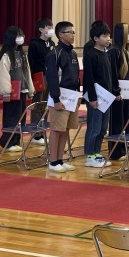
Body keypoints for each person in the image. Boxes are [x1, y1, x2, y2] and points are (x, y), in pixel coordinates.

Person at [45, 21, 81, 172]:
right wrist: (56, 99)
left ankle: (60, 159)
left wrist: (78, 95)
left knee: (65, 129)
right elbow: (52, 78)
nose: (73, 35)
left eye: (73, 32)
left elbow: (76, 76)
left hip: (72, 96)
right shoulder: (54, 53)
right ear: (60, 35)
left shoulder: (72, 53)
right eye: (70, 32)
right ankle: (53, 161)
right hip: (60, 97)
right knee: (56, 129)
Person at [0, 26, 35, 153]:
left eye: (22, 35)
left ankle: (16, 140)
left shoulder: (22, 55)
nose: (21, 38)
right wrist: (6, 91)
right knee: (11, 118)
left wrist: (30, 89)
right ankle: (7, 142)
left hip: (22, 91)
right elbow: (2, 74)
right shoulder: (6, 55)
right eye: (18, 36)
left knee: (21, 118)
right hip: (12, 93)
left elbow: (27, 73)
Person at [82, 22, 114, 169]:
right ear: (95, 38)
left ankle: (96, 153)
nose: (108, 39)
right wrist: (93, 98)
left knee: (102, 128)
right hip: (96, 97)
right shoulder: (91, 55)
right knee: (94, 128)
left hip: (106, 98)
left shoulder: (106, 53)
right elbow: (89, 78)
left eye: (109, 36)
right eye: (104, 36)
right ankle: (90, 155)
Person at [108, 23, 129, 161]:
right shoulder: (114, 51)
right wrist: (116, 92)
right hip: (118, 95)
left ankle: (123, 148)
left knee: (126, 122)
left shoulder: (127, 52)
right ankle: (115, 151)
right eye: (128, 33)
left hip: (127, 93)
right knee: (117, 123)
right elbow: (113, 74)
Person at [28, 18, 55, 144]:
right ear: (41, 29)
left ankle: (42, 131)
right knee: (38, 104)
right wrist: (32, 80)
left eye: (51, 27)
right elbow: (31, 63)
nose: (51, 30)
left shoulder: (52, 43)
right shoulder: (35, 44)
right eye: (48, 27)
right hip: (39, 76)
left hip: (50, 76)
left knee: (45, 105)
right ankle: (36, 134)